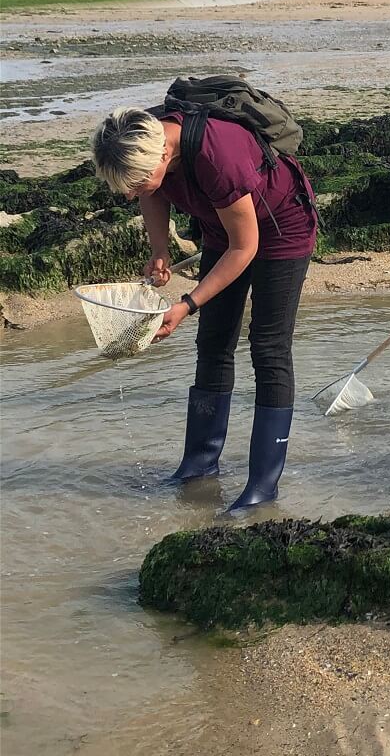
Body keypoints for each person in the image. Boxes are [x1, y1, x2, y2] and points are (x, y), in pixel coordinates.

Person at [91, 106, 317, 511]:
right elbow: (152, 192)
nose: (130, 193)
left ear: (163, 155)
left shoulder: (218, 155)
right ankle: (198, 464)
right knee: (213, 342)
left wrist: (187, 303)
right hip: (221, 229)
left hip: (282, 229)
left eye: (135, 182)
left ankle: (263, 485)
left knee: (268, 347)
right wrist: (159, 249)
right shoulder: (150, 141)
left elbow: (244, 247)